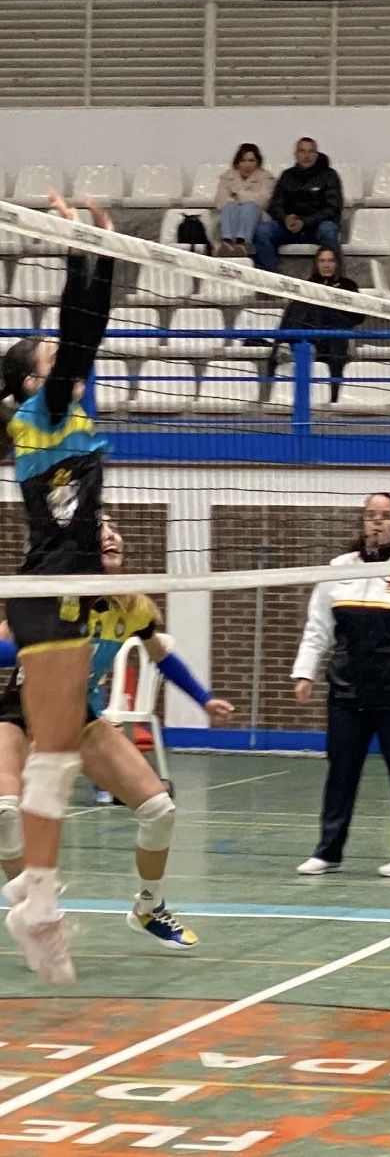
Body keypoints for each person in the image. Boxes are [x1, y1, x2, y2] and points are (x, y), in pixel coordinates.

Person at [0, 517, 235, 952]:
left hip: (80, 717)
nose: (111, 535)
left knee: (160, 811)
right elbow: (4, 646)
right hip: (19, 713)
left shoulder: (134, 607)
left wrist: (204, 700)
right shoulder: (51, 599)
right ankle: (36, 910)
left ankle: (149, 906)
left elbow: (162, 656)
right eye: (100, 529)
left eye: (114, 529)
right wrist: (37, 641)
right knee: (4, 813)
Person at [0, 192, 115, 984]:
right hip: (47, 587)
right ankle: (36, 905)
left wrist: (102, 256)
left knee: (58, 756)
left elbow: (84, 335)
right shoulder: (40, 412)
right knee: (52, 757)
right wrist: (81, 254)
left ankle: (35, 899)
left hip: (65, 586)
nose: (64, 359)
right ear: (32, 378)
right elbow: (81, 333)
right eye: (47, 355)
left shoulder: (56, 415)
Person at [292, 493, 390, 878]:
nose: (377, 522)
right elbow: (318, 628)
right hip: (346, 691)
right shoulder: (338, 570)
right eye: (371, 515)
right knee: (340, 774)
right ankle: (328, 852)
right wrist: (305, 672)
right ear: (362, 522)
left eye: (386, 516)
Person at [268, 245, 362, 402]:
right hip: (310, 332)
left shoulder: (348, 285)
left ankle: (286, 343)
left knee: (331, 332)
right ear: (316, 264)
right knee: (296, 306)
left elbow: (358, 317)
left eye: (330, 261)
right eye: (322, 261)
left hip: (334, 333)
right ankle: (284, 346)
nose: (326, 265)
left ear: (337, 264)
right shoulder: (308, 284)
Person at [253, 137, 343, 272]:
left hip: (316, 227)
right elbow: (275, 204)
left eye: (310, 152)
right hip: (289, 227)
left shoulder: (329, 175)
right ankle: (270, 278)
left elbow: (333, 208)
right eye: (302, 151)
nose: (306, 156)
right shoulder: (287, 176)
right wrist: (285, 218)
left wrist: (305, 221)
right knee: (262, 231)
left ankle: (336, 278)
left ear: (316, 154)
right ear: (295, 155)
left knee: (328, 229)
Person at [215, 142, 276, 258]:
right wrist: (240, 201)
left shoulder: (266, 177)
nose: (247, 165)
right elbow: (220, 200)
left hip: (258, 217)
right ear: (237, 162)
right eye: (243, 160)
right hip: (230, 215)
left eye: (251, 160)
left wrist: (239, 195)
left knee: (249, 206)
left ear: (258, 162)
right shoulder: (228, 176)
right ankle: (227, 242)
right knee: (230, 206)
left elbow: (265, 200)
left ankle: (243, 243)